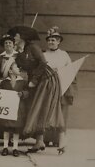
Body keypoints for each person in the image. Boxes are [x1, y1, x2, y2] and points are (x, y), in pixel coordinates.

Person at [8, 26, 64, 154]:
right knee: (36, 109)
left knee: (44, 108)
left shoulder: (33, 48)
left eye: (15, 36)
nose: (14, 38)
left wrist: (34, 80)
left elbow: (43, 63)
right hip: (35, 80)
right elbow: (21, 69)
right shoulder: (20, 53)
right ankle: (39, 141)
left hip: (46, 79)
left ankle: (62, 140)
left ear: (22, 37)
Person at [43, 26, 77, 154]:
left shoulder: (64, 55)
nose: (51, 42)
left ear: (59, 42)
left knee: (61, 113)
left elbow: (70, 71)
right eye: (50, 40)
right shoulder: (44, 55)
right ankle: (46, 139)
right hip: (49, 88)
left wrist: (60, 72)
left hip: (62, 87)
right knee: (48, 112)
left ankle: (59, 140)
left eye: (54, 40)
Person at [0, 58, 29, 157]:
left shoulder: (23, 82)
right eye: (16, 67)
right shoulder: (4, 82)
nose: (19, 69)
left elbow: (28, 92)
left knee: (16, 129)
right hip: (7, 108)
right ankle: (5, 147)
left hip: (18, 108)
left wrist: (23, 94)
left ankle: (15, 147)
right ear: (10, 70)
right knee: (6, 128)